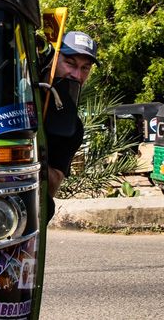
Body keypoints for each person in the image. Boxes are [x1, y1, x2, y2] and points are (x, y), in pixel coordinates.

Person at [43, 31, 98, 200]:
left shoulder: (71, 127)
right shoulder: (16, 85)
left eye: (85, 68)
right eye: (70, 63)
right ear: (53, 59)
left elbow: (52, 187)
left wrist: (35, 156)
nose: (77, 75)